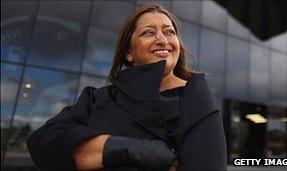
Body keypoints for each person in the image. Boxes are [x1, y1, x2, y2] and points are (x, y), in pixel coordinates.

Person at [27, 3, 227, 171]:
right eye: (149, 32)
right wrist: (132, 149)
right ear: (129, 53)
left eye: (169, 32)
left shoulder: (195, 99)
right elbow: (42, 143)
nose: (163, 40)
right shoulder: (97, 99)